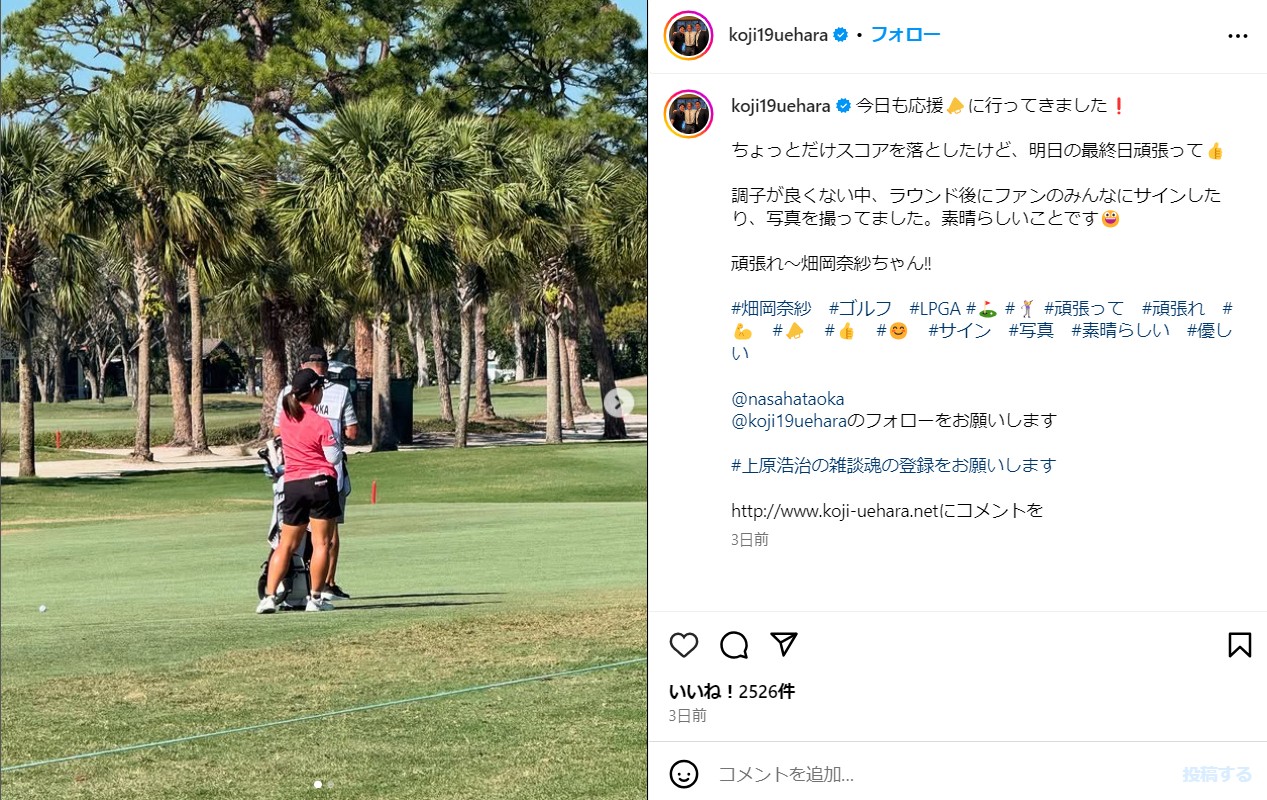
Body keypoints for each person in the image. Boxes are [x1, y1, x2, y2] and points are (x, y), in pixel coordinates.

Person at [273, 348, 358, 600]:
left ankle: (276, 591)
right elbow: (351, 432)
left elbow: (277, 432)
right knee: (327, 536)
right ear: (326, 366)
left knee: (290, 538)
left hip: (294, 476)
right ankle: (323, 588)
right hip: (328, 475)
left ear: (302, 366)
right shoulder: (341, 392)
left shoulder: (287, 394)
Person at [257, 368, 340, 613]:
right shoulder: (320, 422)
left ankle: (269, 597)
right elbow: (333, 457)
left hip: (293, 486)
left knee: (286, 544)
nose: (321, 392)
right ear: (313, 392)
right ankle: (315, 599)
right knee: (322, 543)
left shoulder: (286, 418)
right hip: (320, 484)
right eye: (320, 388)